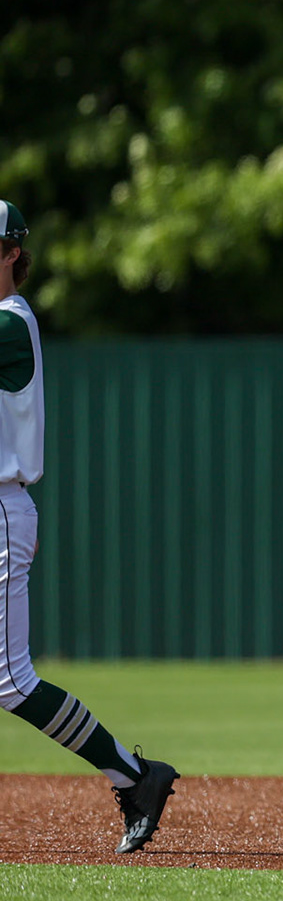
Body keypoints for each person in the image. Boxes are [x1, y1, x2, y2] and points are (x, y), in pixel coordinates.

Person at [0, 200, 179, 853]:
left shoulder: (10, 321)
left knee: (11, 681)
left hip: (1, 508)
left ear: (12, 253)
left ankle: (135, 776)